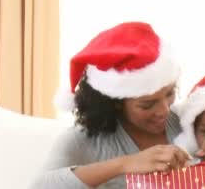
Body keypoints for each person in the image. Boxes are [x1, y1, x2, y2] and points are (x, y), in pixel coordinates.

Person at [30, 22, 191, 189]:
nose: (164, 110)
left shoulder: (188, 121)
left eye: (169, 93)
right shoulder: (82, 140)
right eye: (147, 105)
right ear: (116, 103)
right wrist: (125, 164)